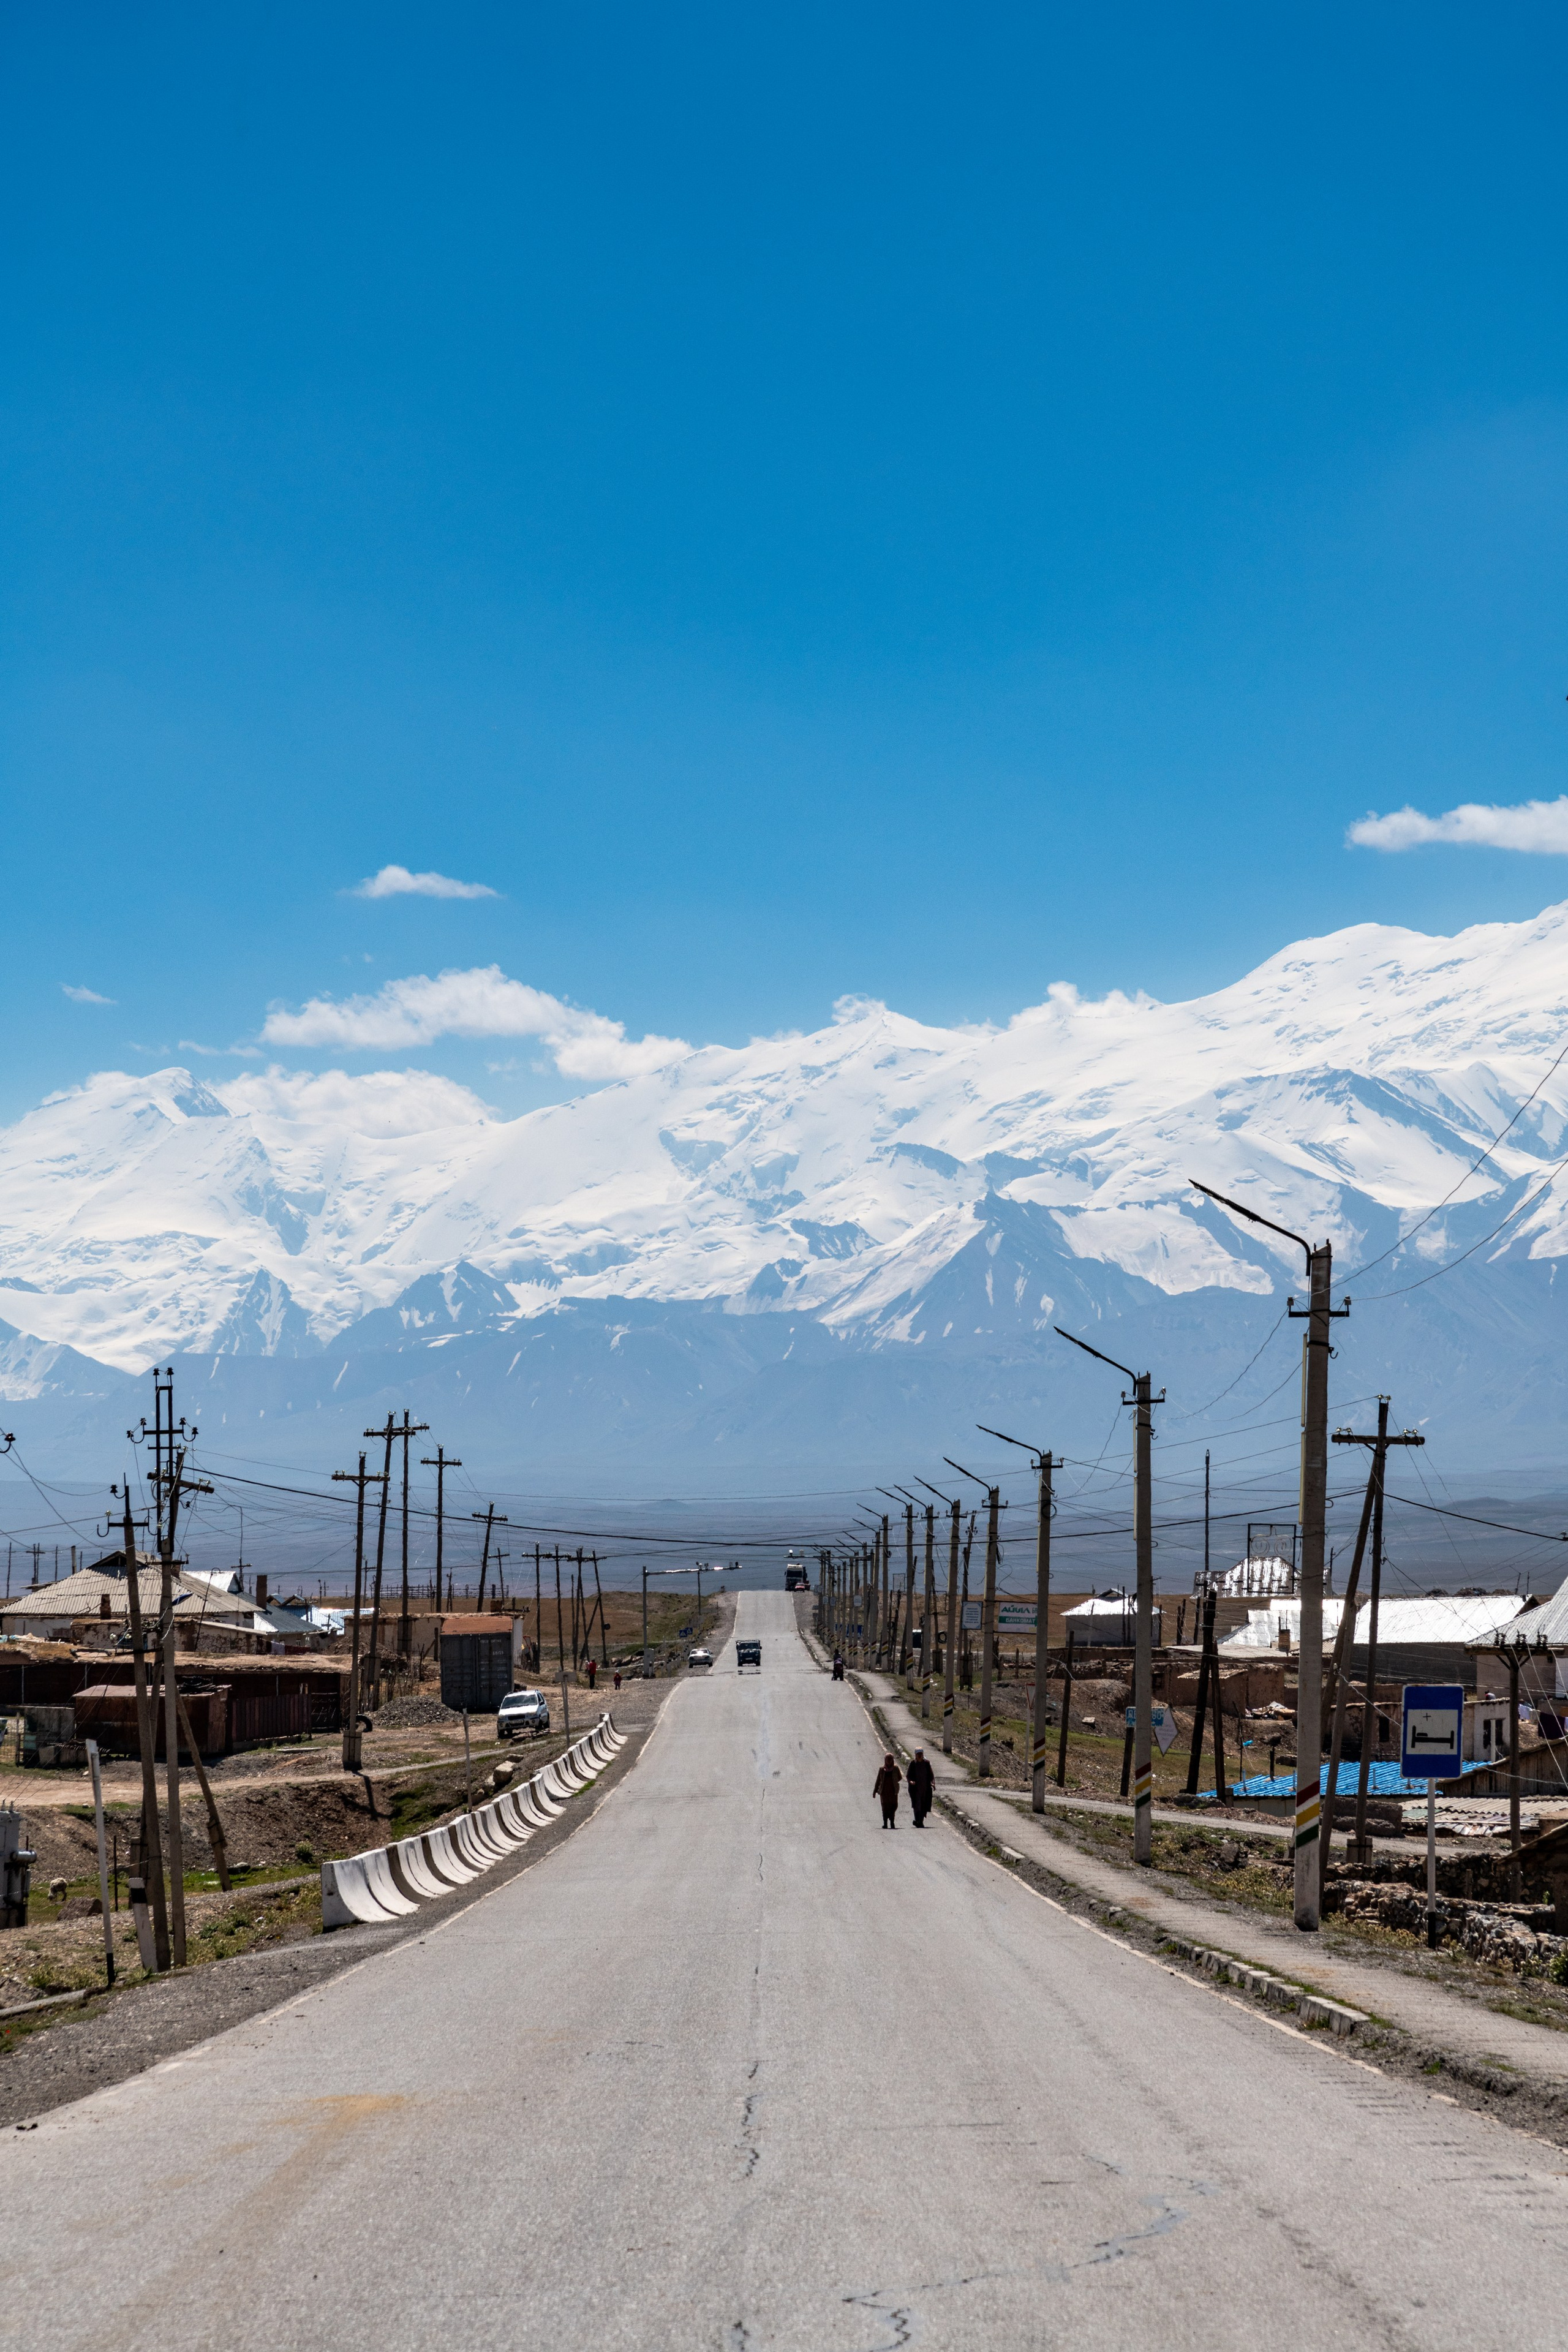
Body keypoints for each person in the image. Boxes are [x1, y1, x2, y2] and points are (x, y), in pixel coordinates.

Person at [907, 1747, 935, 1827]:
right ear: (915, 1755)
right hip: (915, 1789)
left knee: (924, 1805)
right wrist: (911, 1782)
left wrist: (933, 1783)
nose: (919, 1756)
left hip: (925, 1789)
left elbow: (931, 1775)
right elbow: (908, 1775)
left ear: (923, 1755)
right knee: (917, 1805)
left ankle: (920, 1822)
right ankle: (917, 1820)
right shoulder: (913, 1764)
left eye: (921, 1754)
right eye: (918, 1754)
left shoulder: (927, 1763)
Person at [873, 1753, 902, 1828]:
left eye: (890, 1759)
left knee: (894, 1806)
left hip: (893, 1792)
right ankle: (885, 1824)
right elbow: (878, 1781)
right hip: (884, 1793)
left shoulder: (896, 1769)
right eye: (887, 1759)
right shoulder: (882, 1770)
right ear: (885, 1760)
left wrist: (895, 1781)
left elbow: (900, 1777)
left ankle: (892, 1822)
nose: (889, 1761)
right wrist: (875, 1791)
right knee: (885, 1808)